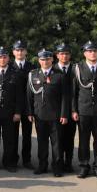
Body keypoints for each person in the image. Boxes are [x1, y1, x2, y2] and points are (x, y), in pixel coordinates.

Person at [71, 41, 97, 180]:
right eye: (89, 51)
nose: (93, 53)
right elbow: (74, 92)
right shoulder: (77, 68)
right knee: (83, 140)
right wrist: (74, 110)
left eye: (95, 51)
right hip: (83, 110)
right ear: (85, 53)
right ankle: (84, 166)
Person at [26, 49, 70, 177]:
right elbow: (29, 96)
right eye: (42, 59)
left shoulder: (59, 75)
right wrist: (30, 112)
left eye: (47, 59)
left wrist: (64, 114)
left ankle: (57, 167)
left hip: (55, 115)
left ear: (52, 60)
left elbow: (65, 97)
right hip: (39, 115)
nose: (45, 62)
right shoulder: (33, 75)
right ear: (39, 60)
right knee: (42, 142)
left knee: (57, 143)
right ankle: (42, 165)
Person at [12, 40, 34, 169]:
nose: (20, 52)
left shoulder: (32, 67)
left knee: (27, 135)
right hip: (14, 106)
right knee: (13, 135)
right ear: (13, 52)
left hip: (27, 106)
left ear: (26, 51)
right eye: (17, 50)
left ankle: (27, 160)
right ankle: (13, 159)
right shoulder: (9, 66)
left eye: (22, 50)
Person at [54, 43, 76, 172]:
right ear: (57, 55)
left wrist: (74, 109)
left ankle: (68, 162)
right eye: (61, 53)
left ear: (70, 55)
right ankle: (59, 163)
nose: (64, 56)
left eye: (67, 53)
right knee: (58, 138)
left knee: (70, 138)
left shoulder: (75, 69)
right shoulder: (52, 69)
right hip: (57, 110)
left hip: (72, 109)